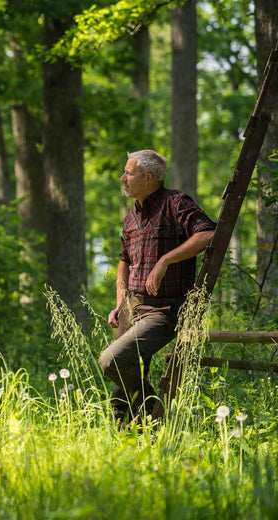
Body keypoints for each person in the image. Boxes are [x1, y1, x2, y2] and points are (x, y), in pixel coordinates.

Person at [98, 150, 216, 425]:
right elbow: (124, 260)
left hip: (164, 310)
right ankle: (133, 440)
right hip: (132, 308)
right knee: (120, 395)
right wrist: (120, 302)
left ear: (148, 177)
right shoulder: (131, 216)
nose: (122, 178)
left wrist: (166, 260)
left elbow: (208, 233)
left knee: (112, 361)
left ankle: (155, 415)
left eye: (128, 173)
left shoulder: (175, 202)